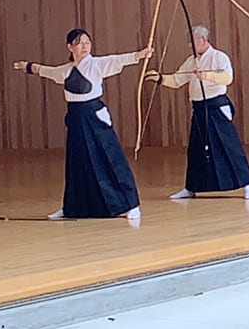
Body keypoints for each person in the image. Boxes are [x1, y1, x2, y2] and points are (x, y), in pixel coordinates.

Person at [13, 28, 152, 220]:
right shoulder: (66, 70)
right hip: (76, 119)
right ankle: (72, 207)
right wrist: (29, 66)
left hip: (95, 118)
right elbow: (47, 71)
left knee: (110, 159)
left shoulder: (95, 65)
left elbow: (115, 60)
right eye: (79, 42)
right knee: (77, 163)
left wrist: (138, 55)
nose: (85, 46)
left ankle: (130, 205)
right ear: (70, 47)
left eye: (87, 42)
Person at [145, 25, 249, 200]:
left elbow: (228, 78)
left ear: (203, 40)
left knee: (229, 147)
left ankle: (247, 186)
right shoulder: (191, 61)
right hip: (199, 110)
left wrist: (207, 76)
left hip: (216, 108)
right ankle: (191, 188)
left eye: (192, 41)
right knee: (196, 150)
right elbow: (176, 80)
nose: (190, 44)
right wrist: (159, 78)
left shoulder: (219, 57)